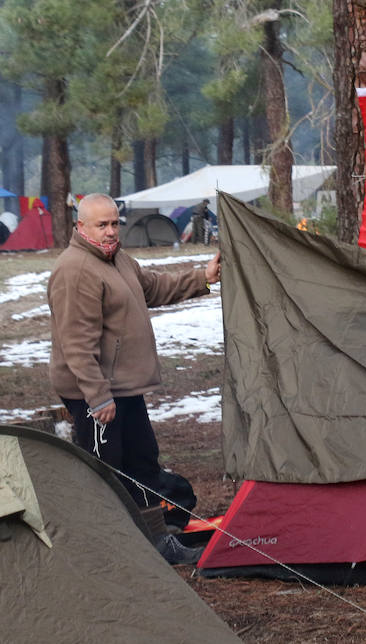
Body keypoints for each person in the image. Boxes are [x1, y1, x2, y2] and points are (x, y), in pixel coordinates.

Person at [47, 193, 222, 564]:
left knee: (142, 462)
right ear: (81, 227)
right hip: (95, 393)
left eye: (114, 223)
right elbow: (75, 343)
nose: (111, 232)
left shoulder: (117, 259)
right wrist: (96, 397)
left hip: (123, 387)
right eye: (102, 225)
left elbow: (154, 287)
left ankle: (155, 540)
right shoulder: (76, 269)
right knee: (108, 471)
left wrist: (202, 279)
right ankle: (107, 549)